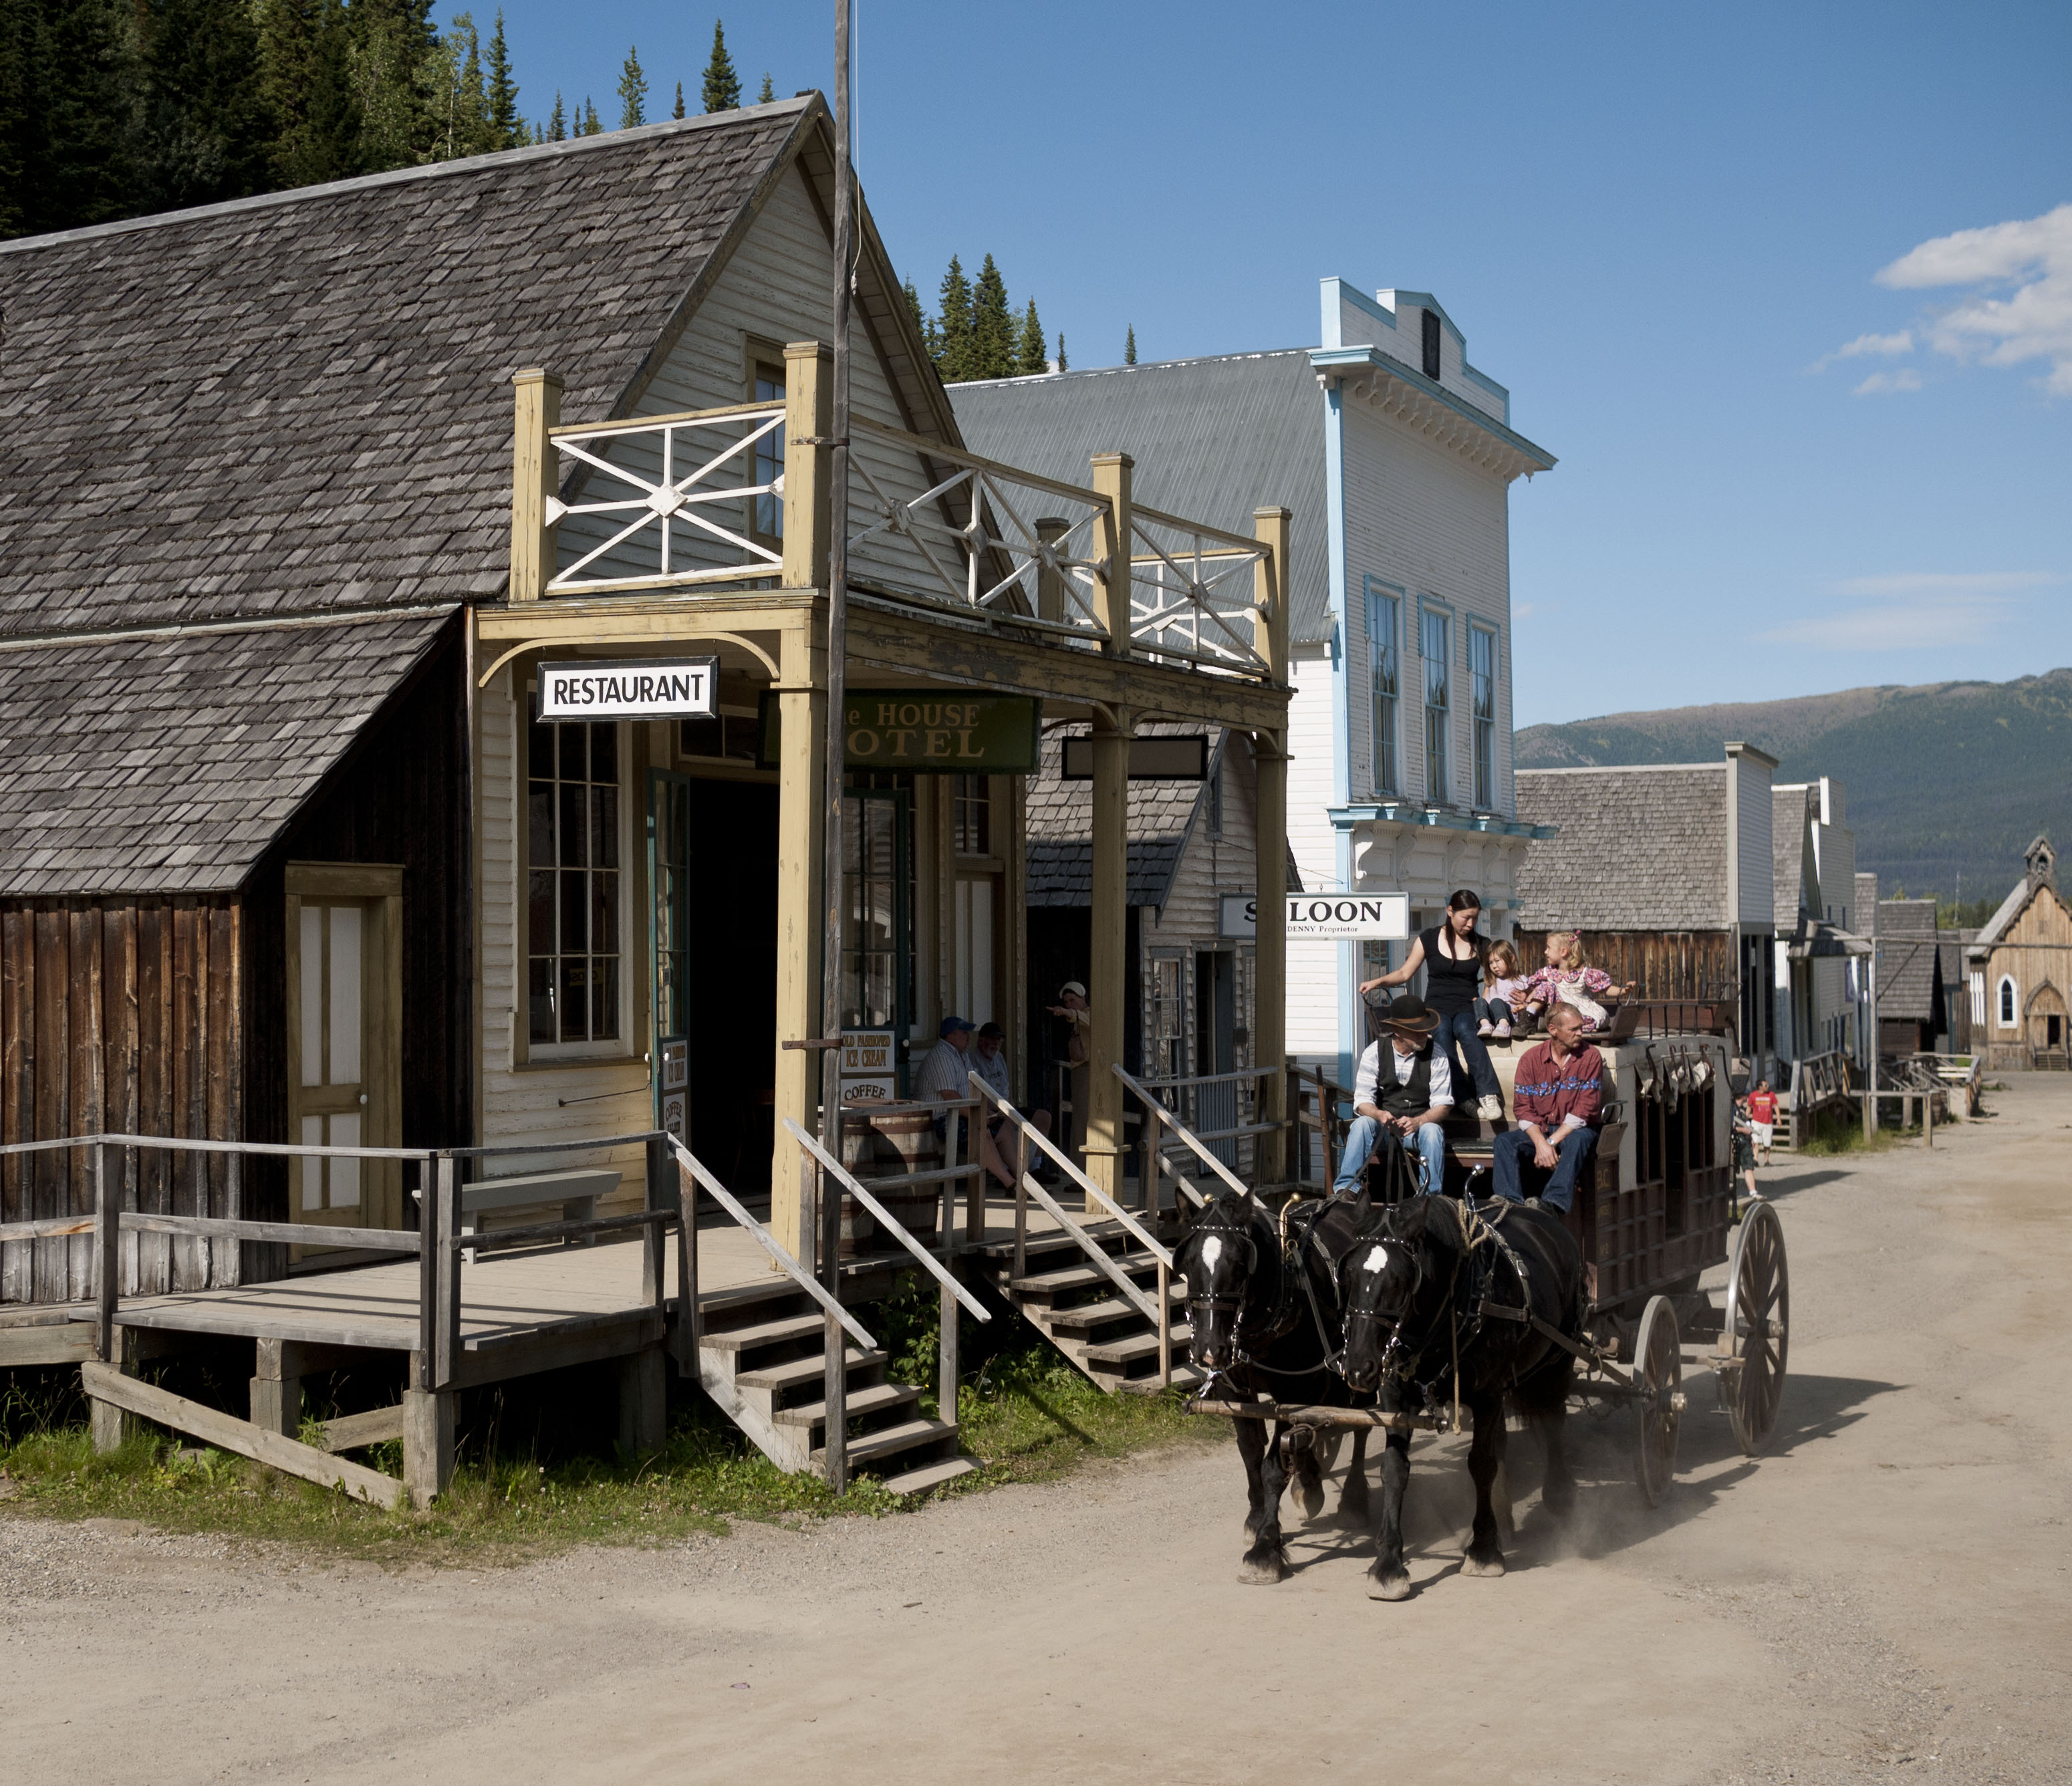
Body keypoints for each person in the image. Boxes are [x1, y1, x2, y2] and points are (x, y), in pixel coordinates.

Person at [1358, 889, 1506, 1121]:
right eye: (1466, 917)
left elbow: (1496, 976)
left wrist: (1488, 1000)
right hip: (1437, 1008)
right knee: (1443, 1038)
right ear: (1450, 911)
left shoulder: (1482, 944)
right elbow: (1405, 973)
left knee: (1469, 1034)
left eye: (1475, 918)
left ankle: (1488, 1094)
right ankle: (1462, 1098)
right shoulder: (1428, 938)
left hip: (1467, 1006)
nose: (1471, 924)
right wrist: (1377, 981)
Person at [1330, 994, 1452, 1200]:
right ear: (1398, 1031)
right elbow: (1362, 1102)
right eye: (1417, 1031)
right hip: (1384, 1132)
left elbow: (1443, 1105)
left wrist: (1418, 1121)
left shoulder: (1437, 1054)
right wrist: (1380, 1115)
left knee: (1433, 1131)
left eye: (1425, 1029)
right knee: (1362, 1124)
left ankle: (1429, 1198)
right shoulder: (1374, 1052)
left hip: (1418, 1132)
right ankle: (1347, 1189)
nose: (1424, 1034)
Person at [1491, 1003, 1604, 1214]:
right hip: (1542, 1130)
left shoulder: (1591, 1056)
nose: (1580, 1033)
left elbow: (1586, 1109)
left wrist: (1550, 1143)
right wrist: (1541, 1143)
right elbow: (1523, 1109)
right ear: (1553, 1030)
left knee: (1578, 1140)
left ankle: (1553, 1204)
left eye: (1581, 1027)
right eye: (1574, 1029)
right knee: (1503, 1142)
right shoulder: (1530, 1059)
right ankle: (1509, 1202)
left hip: (1575, 1130)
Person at [972, 1021, 1054, 1187]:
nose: (996, 1043)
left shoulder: (999, 1058)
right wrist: (1003, 1112)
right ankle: (1007, 1171)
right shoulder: (973, 1060)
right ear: (981, 1040)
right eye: (992, 1039)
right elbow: (978, 1093)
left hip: (1006, 1107)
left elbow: (1006, 1089)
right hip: (991, 1110)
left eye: (999, 1040)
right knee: (1006, 1125)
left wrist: (1012, 1109)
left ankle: (1035, 1167)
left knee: (1043, 1117)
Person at [1517, 931, 1633, 1035]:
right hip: (1559, 1011)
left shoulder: (1583, 974)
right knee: (1546, 986)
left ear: (1563, 952)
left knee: (1592, 1018)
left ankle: (1568, 1027)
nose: (1545, 952)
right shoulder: (1547, 973)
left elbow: (1605, 988)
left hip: (1579, 1010)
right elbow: (1537, 992)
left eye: (1549, 948)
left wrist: (1622, 991)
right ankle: (1528, 1018)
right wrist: (1527, 1004)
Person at [1045, 981, 1091, 1155]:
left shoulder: (1090, 1014)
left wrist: (1065, 1012)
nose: (1069, 1004)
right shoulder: (1079, 1020)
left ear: (1083, 998)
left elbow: (1084, 1018)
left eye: (1073, 1000)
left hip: (1088, 1071)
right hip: (1079, 1072)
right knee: (1079, 1120)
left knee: (1084, 1121)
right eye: (1066, 1002)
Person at [1476, 938, 1531, 1043]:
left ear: (1511, 958)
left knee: (1496, 1002)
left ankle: (1504, 1025)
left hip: (1510, 1019)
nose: (1494, 966)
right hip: (1492, 1020)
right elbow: (1484, 1000)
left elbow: (1532, 1001)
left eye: (1497, 961)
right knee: (1479, 1001)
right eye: (1491, 963)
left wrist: (1525, 1004)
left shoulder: (1522, 981)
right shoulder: (1491, 982)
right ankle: (1485, 1025)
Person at [1732, 1095, 1763, 1202]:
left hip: (1745, 1141)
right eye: (1747, 1095)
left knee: (1748, 1166)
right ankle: (1731, 1192)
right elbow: (1729, 1126)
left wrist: (1751, 1138)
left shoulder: (1742, 1110)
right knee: (1731, 1168)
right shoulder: (1731, 1108)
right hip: (1734, 1141)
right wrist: (1743, 1130)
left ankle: (1753, 1192)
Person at [1746, 1077, 1779, 1166]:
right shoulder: (1753, 1095)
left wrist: (1779, 1118)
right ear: (1760, 1087)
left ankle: (1766, 1160)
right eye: (1765, 1085)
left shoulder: (1771, 1094)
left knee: (1767, 1143)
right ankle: (1755, 1159)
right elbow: (1749, 1107)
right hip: (1756, 1122)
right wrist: (1745, 1117)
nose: (1768, 1086)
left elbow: (1776, 1106)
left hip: (1768, 1122)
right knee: (1756, 1141)